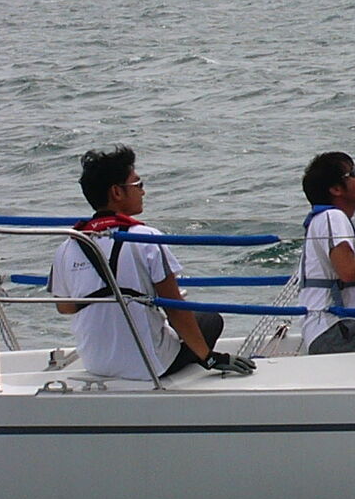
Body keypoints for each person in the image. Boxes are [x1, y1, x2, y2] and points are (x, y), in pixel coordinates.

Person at [50, 145, 254, 379]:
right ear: (117, 192)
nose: (143, 192)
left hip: (95, 363)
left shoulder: (68, 246)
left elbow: (64, 307)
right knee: (209, 320)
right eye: (138, 185)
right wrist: (210, 358)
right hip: (149, 366)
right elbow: (174, 309)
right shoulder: (146, 238)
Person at [298, 151, 355, 355]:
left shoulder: (322, 219)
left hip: (326, 329)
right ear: (335, 189)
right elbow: (348, 271)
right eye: (353, 174)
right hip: (336, 328)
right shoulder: (333, 216)